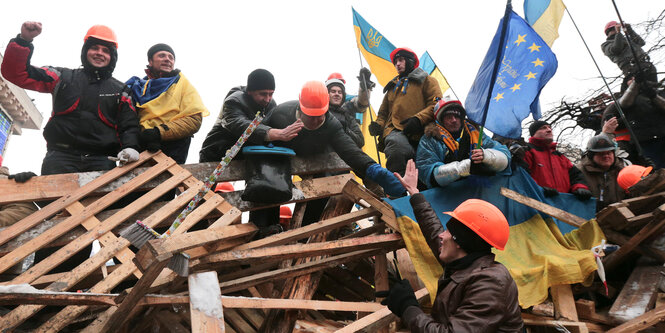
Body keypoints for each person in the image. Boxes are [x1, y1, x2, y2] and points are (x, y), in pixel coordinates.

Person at [377, 160, 523, 332]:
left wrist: (408, 308)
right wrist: (414, 193)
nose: (441, 235)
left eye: (447, 231)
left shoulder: (490, 283)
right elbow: (433, 231)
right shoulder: (464, 262)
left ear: (460, 242)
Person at [1, 22, 140, 174]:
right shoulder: (62, 77)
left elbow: (129, 126)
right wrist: (24, 40)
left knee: (101, 200)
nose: (99, 53)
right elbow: (16, 73)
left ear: (112, 57)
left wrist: (131, 147)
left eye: (106, 50)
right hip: (60, 158)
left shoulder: (122, 90)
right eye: (94, 48)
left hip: (103, 161)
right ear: (85, 51)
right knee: (55, 199)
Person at [126, 43, 209, 164]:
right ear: (150, 61)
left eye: (171, 57)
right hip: (140, 146)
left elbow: (194, 120)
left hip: (172, 148)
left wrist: (159, 133)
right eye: (161, 55)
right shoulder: (136, 86)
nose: (167, 59)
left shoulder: (183, 84)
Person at [199, 69, 303, 162]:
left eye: (271, 94)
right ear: (250, 91)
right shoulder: (233, 101)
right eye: (263, 94)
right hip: (217, 152)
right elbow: (240, 124)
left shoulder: (270, 105)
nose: (267, 99)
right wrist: (275, 133)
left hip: (249, 153)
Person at [368, 47, 442, 176]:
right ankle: (397, 191)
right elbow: (383, 113)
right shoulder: (392, 87)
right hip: (394, 130)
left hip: (421, 131)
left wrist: (418, 119)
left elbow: (436, 104)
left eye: (401, 60)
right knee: (397, 147)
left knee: (422, 165)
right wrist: (378, 125)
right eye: (396, 61)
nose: (397, 64)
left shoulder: (428, 80)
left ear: (410, 61)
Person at [416, 98, 510, 188]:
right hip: (448, 196)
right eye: (449, 117)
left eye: (457, 116)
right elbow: (426, 172)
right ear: (441, 121)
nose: (454, 120)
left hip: (481, 190)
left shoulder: (477, 133)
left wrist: (486, 156)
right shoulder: (430, 139)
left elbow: (505, 156)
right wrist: (466, 167)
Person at [514, 121, 592, 200]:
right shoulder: (526, 152)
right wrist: (539, 189)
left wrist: (580, 187)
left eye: (549, 127)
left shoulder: (561, 157)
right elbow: (521, 176)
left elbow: (576, 175)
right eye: (543, 128)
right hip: (535, 204)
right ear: (534, 133)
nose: (549, 130)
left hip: (563, 206)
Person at [603, 77, 665, 168]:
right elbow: (610, 117)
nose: (634, 80)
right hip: (645, 141)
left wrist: (654, 96)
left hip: (662, 134)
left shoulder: (658, 93)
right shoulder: (622, 102)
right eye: (630, 79)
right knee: (658, 168)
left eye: (635, 78)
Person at [576, 134, 628, 211]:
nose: (606, 156)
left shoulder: (624, 169)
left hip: (623, 214)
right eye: (601, 153)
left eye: (609, 152)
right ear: (591, 156)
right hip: (592, 217)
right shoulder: (578, 172)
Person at [325, 68, 374, 148]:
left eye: (339, 91)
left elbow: (362, 103)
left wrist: (364, 86)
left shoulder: (348, 103)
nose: (336, 94)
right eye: (333, 91)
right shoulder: (320, 109)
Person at [601, 21, 657, 91]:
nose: (617, 30)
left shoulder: (626, 39)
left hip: (647, 66)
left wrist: (629, 30)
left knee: (655, 90)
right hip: (633, 70)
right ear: (609, 31)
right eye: (614, 28)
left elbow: (641, 42)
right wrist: (618, 33)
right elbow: (616, 49)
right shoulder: (606, 45)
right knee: (644, 92)